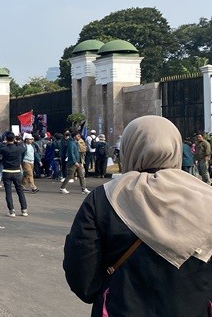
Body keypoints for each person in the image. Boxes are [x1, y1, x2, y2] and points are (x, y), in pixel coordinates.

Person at [63, 115, 212, 316]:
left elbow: (82, 273)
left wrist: (107, 290)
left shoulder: (104, 197)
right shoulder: (206, 196)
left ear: (129, 147)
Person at [0, 132, 28, 217]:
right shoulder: (19, 148)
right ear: (14, 139)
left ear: (6, 139)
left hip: (7, 171)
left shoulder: (3, 149)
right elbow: (23, 148)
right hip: (17, 171)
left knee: (8, 192)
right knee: (20, 191)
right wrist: (16, 142)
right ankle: (24, 209)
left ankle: (11, 210)